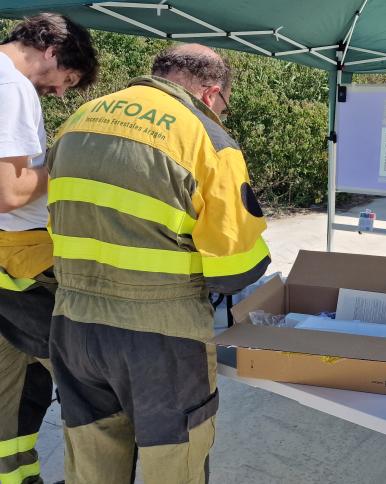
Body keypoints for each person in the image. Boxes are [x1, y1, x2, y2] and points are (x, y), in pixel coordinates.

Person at [45, 44, 270, 483]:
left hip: (72, 323)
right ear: (211, 93)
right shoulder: (205, 136)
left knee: (91, 462)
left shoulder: (79, 120)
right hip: (161, 336)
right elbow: (235, 268)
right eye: (224, 103)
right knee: (176, 463)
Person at [0, 14, 97, 484]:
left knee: (9, 388)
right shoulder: (12, 85)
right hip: (26, 259)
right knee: (88, 377)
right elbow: (10, 192)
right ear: (53, 52)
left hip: (9, 263)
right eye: (68, 80)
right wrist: (67, 166)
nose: (60, 92)